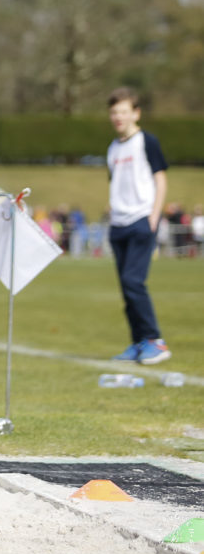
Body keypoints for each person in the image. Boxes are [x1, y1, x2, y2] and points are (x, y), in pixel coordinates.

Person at [106, 87, 171, 365]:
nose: (118, 117)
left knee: (135, 281)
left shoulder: (146, 141)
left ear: (135, 113)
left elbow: (160, 178)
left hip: (141, 220)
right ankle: (137, 342)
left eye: (123, 111)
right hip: (118, 224)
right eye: (114, 112)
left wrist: (154, 215)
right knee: (126, 286)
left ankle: (155, 341)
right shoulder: (112, 148)